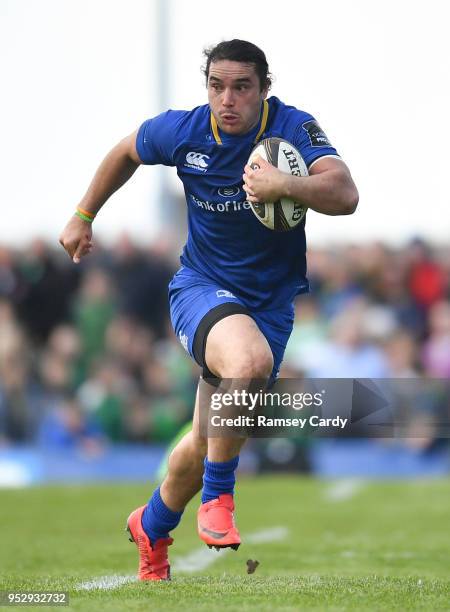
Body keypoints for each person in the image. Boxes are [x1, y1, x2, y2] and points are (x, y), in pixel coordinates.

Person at [59, 39, 358, 581]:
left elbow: (345, 193)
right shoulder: (185, 131)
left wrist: (283, 184)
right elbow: (126, 150)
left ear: (264, 89)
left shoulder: (292, 128)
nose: (228, 99)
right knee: (246, 364)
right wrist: (84, 214)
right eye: (217, 86)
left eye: (241, 87)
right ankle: (220, 498)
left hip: (270, 305)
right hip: (202, 289)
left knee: (204, 439)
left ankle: (151, 525)